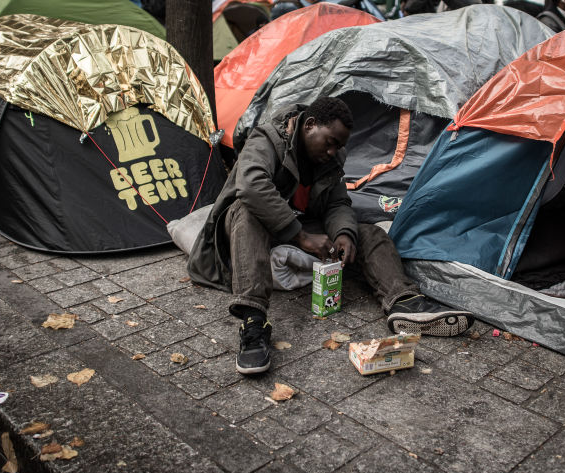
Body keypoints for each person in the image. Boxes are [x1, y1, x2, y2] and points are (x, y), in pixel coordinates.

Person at [187, 96, 475, 374]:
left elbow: (338, 203)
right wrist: (300, 236)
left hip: (297, 226)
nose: (333, 152)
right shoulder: (267, 138)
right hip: (249, 227)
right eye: (330, 143)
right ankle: (253, 323)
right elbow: (250, 187)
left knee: (370, 233)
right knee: (248, 211)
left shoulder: (331, 158)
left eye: (339, 146)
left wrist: (344, 234)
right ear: (309, 124)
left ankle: (404, 303)